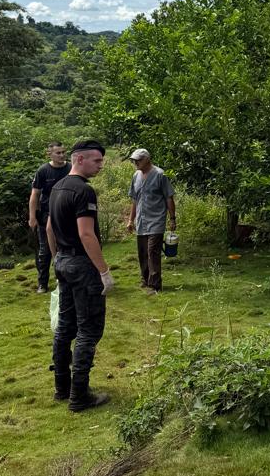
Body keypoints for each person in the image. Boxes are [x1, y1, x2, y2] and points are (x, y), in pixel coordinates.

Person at [47, 140, 114, 412]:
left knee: (65, 327)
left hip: (63, 259)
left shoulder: (57, 187)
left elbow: (50, 228)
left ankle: (61, 388)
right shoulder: (84, 191)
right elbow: (87, 234)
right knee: (89, 329)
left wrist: (57, 259)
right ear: (79, 159)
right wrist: (104, 271)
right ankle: (79, 395)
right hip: (81, 265)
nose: (100, 166)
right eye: (96, 161)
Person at [126, 148, 175, 295]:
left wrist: (172, 219)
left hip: (156, 220)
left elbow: (169, 198)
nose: (135, 163)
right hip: (141, 221)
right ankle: (145, 280)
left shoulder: (160, 175)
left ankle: (155, 286)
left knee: (152, 252)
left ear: (147, 159)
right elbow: (135, 199)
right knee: (142, 253)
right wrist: (130, 220)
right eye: (134, 160)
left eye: (138, 160)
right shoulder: (136, 176)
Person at [28, 141, 70, 293]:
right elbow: (35, 195)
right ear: (50, 154)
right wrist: (32, 217)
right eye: (58, 153)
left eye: (63, 152)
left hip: (67, 214)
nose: (61, 155)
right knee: (45, 251)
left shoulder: (70, 168)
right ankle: (42, 283)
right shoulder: (43, 171)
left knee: (66, 247)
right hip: (46, 214)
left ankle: (64, 279)